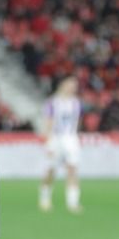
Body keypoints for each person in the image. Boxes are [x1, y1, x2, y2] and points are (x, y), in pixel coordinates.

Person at [39, 75, 83, 213]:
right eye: (71, 84)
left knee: (72, 169)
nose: (73, 87)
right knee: (51, 170)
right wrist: (48, 142)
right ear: (62, 84)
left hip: (71, 139)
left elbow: (78, 122)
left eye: (75, 85)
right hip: (56, 139)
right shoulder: (52, 103)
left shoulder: (76, 103)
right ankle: (44, 198)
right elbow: (48, 122)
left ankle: (73, 203)